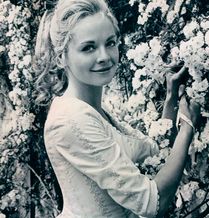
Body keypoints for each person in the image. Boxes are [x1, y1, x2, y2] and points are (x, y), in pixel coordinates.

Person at [33, 0, 200, 217]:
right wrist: (187, 128)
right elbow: (151, 204)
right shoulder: (69, 120)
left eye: (110, 43)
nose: (104, 56)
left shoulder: (95, 110)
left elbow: (157, 155)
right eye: (88, 47)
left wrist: (171, 99)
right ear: (60, 56)